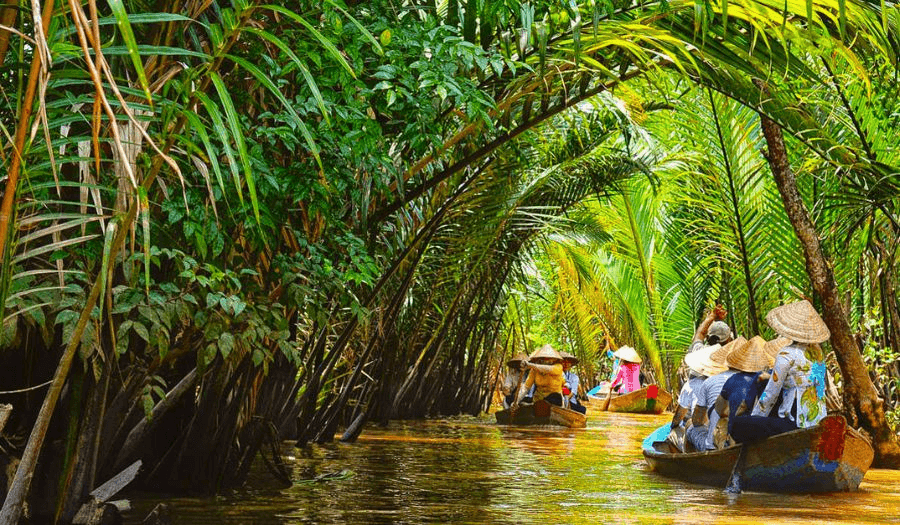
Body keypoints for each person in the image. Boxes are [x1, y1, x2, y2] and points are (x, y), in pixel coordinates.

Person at [731, 300, 830, 443]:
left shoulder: (786, 354)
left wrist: (755, 419)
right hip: (818, 420)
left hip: (795, 424)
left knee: (738, 424)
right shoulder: (818, 353)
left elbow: (771, 394)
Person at [712, 336, 774, 448]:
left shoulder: (733, 379)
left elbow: (720, 410)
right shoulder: (772, 377)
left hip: (741, 436)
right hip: (766, 433)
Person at [686, 336, 746, 451]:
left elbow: (697, 421)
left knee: (691, 426)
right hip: (742, 443)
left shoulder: (710, 381)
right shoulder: (757, 379)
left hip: (715, 446)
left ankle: (687, 456)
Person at [668, 344, 727, 451]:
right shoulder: (731, 378)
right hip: (727, 435)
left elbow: (688, 418)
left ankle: (688, 454)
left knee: (690, 424)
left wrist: (673, 427)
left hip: (711, 438)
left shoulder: (693, 385)